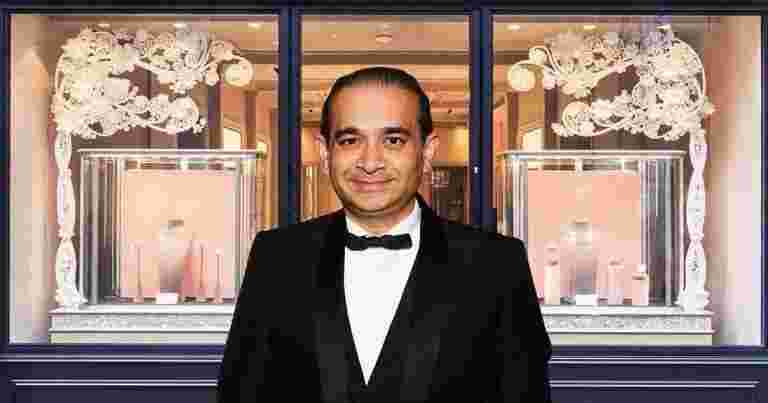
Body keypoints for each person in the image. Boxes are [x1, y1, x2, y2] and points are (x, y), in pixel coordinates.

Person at [217, 66, 552, 403]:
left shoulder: (497, 265)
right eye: (350, 140)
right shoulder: (276, 258)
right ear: (325, 153)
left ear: (427, 151)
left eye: (393, 140)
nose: (370, 162)